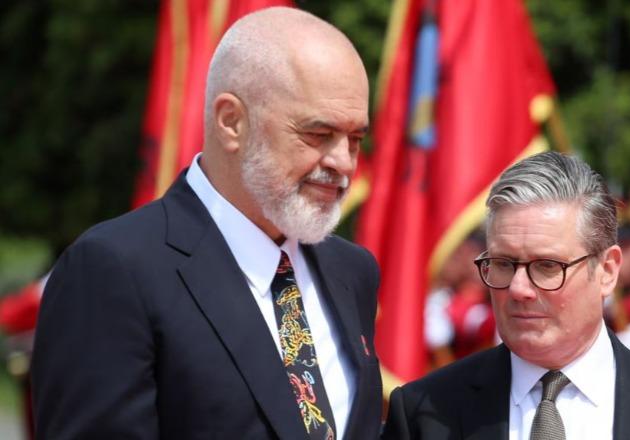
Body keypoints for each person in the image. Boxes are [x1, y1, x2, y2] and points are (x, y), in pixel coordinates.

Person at [31, 7, 381, 439]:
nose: (343, 163)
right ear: (231, 121)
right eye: (318, 134)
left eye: (355, 139)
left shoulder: (353, 272)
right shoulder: (114, 270)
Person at [382, 151, 630, 439]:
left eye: (547, 266)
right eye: (503, 264)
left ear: (607, 271)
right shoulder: (424, 412)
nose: (519, 288)